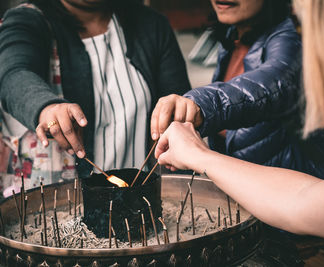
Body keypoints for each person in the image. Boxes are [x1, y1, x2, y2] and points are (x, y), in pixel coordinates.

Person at [155, 0, 324, 265]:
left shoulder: (287, 41)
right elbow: (300, 200)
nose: (311, 57)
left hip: (292, 241)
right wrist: (199, 156)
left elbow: (274, 82)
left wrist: (201, 104)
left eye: (310, 28)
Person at [0, 0, 190, 187]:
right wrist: (46, 107)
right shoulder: (26, 21)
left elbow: (179, 110)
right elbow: (13, 74)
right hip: (59, 206)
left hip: (139, 201)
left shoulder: (151, 25)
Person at [151, 0, 324, 178]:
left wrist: (201, 103)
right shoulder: (233, 38)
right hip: (239, 200)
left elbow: (275, 81)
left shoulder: (291, 38)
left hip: (292, 202)